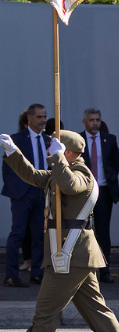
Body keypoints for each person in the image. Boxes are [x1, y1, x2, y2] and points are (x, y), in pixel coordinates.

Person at [0, 129, 119, 332]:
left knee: (46, 311)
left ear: (69, 151)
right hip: (72, 255)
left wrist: (58, 158)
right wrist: (12, 152)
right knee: (97, 311)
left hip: (71, 254)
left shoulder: (81, 174)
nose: (51, 150)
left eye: (56, 146)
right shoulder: (62, 171)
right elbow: (34, 176)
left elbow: (70, 186)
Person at [4, 103, 49, 287]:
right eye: (39, 117)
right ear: (29, 118)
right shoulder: (16, 140)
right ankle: (11, 275)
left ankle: (37, 273)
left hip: (41, 192)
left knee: (39, 234)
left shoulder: (49, 140)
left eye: (45, 117)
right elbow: (8, 169)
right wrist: (15, 192)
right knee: (18, 233)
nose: (43, 120)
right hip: (23, 193)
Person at [80, 109, 119, 282]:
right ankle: (82, 269)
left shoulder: (109, 139)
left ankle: (104, 270)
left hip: (103, 191)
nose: (95, 123)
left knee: (103, 232)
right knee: (81, 230)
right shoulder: (79, 139)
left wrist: (109, 179)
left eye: (97, 120)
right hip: (83, 193)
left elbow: (115, 162)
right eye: (91, 120)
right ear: (85, 122)